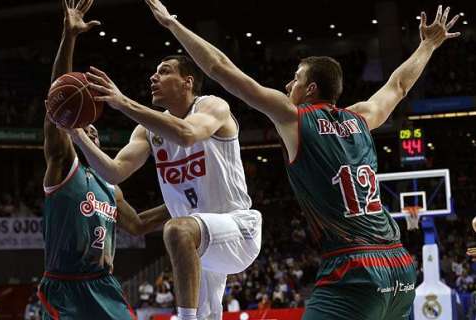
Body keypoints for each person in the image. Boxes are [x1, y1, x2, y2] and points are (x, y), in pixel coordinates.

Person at [144, 1, 460, 319]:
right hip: (399, 266)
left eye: (295, 79)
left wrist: (173, 24)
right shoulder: (363, 116)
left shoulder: (294, 118)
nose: (287, 85)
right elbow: (400, 86)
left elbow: (220, 69)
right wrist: (428, 45)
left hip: (355, 268)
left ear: (310, 88)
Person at [66, 22, 262, 320]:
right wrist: (79, 136)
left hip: (237, 230)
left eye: (165, 70)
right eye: (155, 71)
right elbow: (114, 172)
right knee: (209, 313)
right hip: (202, 248)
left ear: (188, 81)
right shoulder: (146, 131)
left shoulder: (212, 106)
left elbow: (186, 134)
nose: (154, 76)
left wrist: (122, 103)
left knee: (177, 228)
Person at [38, 0, 170, 319]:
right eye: (83, 126)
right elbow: (59, 102)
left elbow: (137, 225)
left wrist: (193, 202)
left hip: (104, 285)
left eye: (93, 128)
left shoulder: (110, 186)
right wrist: (69, 37)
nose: (89, 131)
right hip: (64, 288)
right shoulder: (62, 168)